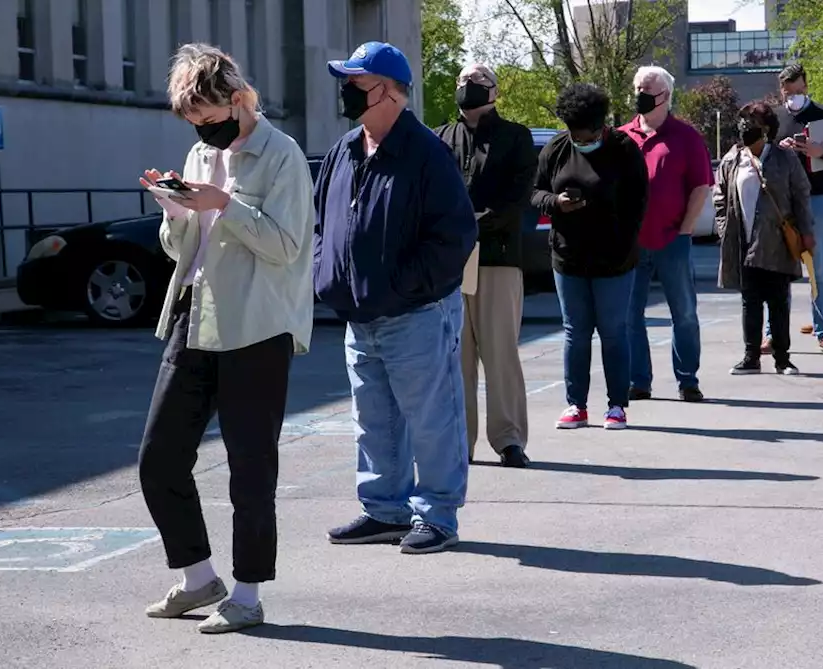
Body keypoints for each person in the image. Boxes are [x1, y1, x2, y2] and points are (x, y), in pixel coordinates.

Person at [137, 43, 315, 634]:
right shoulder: (196, 152)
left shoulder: (281, 153)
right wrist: (175, 211)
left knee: (250, 467)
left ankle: (246, 594)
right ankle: (197, 578)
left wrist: (223, 205)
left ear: (239, 100)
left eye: (211, 121)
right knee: (159, 457)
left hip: (256, 328)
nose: (205, 134)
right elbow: (180, 249)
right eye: (196, 125)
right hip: (195, 315)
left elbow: (288, 247)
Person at [314, 42, 477, 554]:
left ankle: (439, 516)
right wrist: (328, 275)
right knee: (374, 420)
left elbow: (454, 237)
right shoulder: (344, 150)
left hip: (416, 314)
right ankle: (384, 509)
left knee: (432, 420)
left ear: (387, 90)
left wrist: (404, 286)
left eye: (355, 83)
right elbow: (323, 223)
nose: (345, 92)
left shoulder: (427, 152)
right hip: (360, 316)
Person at [434, 63, 537, 468]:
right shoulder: (440, 138)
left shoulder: (515, 137)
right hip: (451, 263)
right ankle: (461, 441)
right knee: (456, 358)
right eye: (460, 81)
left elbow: (516, 198)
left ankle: (509, 439)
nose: (465, 87)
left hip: (497, 256)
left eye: (475, 82)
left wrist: (470, 222)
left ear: (493, 91)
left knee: (500, 353)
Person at [533, 82, 648, 430]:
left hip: (614, 260)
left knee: (613, 332)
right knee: (575, 332)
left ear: (601, 127)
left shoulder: (625, 150)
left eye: (587, 137)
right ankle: (576, 405)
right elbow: (534, 193)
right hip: (568, 259)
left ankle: (616, 406)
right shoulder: (555, 149)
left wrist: (622, 245)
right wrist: (556, 203)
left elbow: (637, 206)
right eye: (576, 137)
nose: (581, 142)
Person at [620, 65, 713, 403]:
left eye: (646, 89)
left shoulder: (686, 137)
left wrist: (685, 230)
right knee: (630, 314)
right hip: (631, 243)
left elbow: (701, 186)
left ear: (665, 97)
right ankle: (638, 380)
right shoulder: (621, 136)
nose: (639, 95)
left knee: (683, 312)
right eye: (637, 88)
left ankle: (687, 379)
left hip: (672, 239)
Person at [716, 101, 814, 375]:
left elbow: (801, 196)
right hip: (743, 241)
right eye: (743, 123)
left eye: (752, 124)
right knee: (750, 300)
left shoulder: (785, 159)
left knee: (778, 300)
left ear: (767, 130)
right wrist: (725, 228)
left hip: (777, 241)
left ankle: (782, 358)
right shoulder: (732, 159)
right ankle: (751, 356)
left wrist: (806, 232)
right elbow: (720, 196)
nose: (745, 129)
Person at [774, 64, 823, 354]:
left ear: (806, 86)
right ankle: (774, 334)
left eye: (798, 90)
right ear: (781, 90)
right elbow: (761, 155)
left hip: (818, 197)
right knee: (779, 271)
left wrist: (822, 153)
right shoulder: (775, 116)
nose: (793, 96)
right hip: (783, 201)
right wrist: (778, 147)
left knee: (820, 270)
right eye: (788, 91)